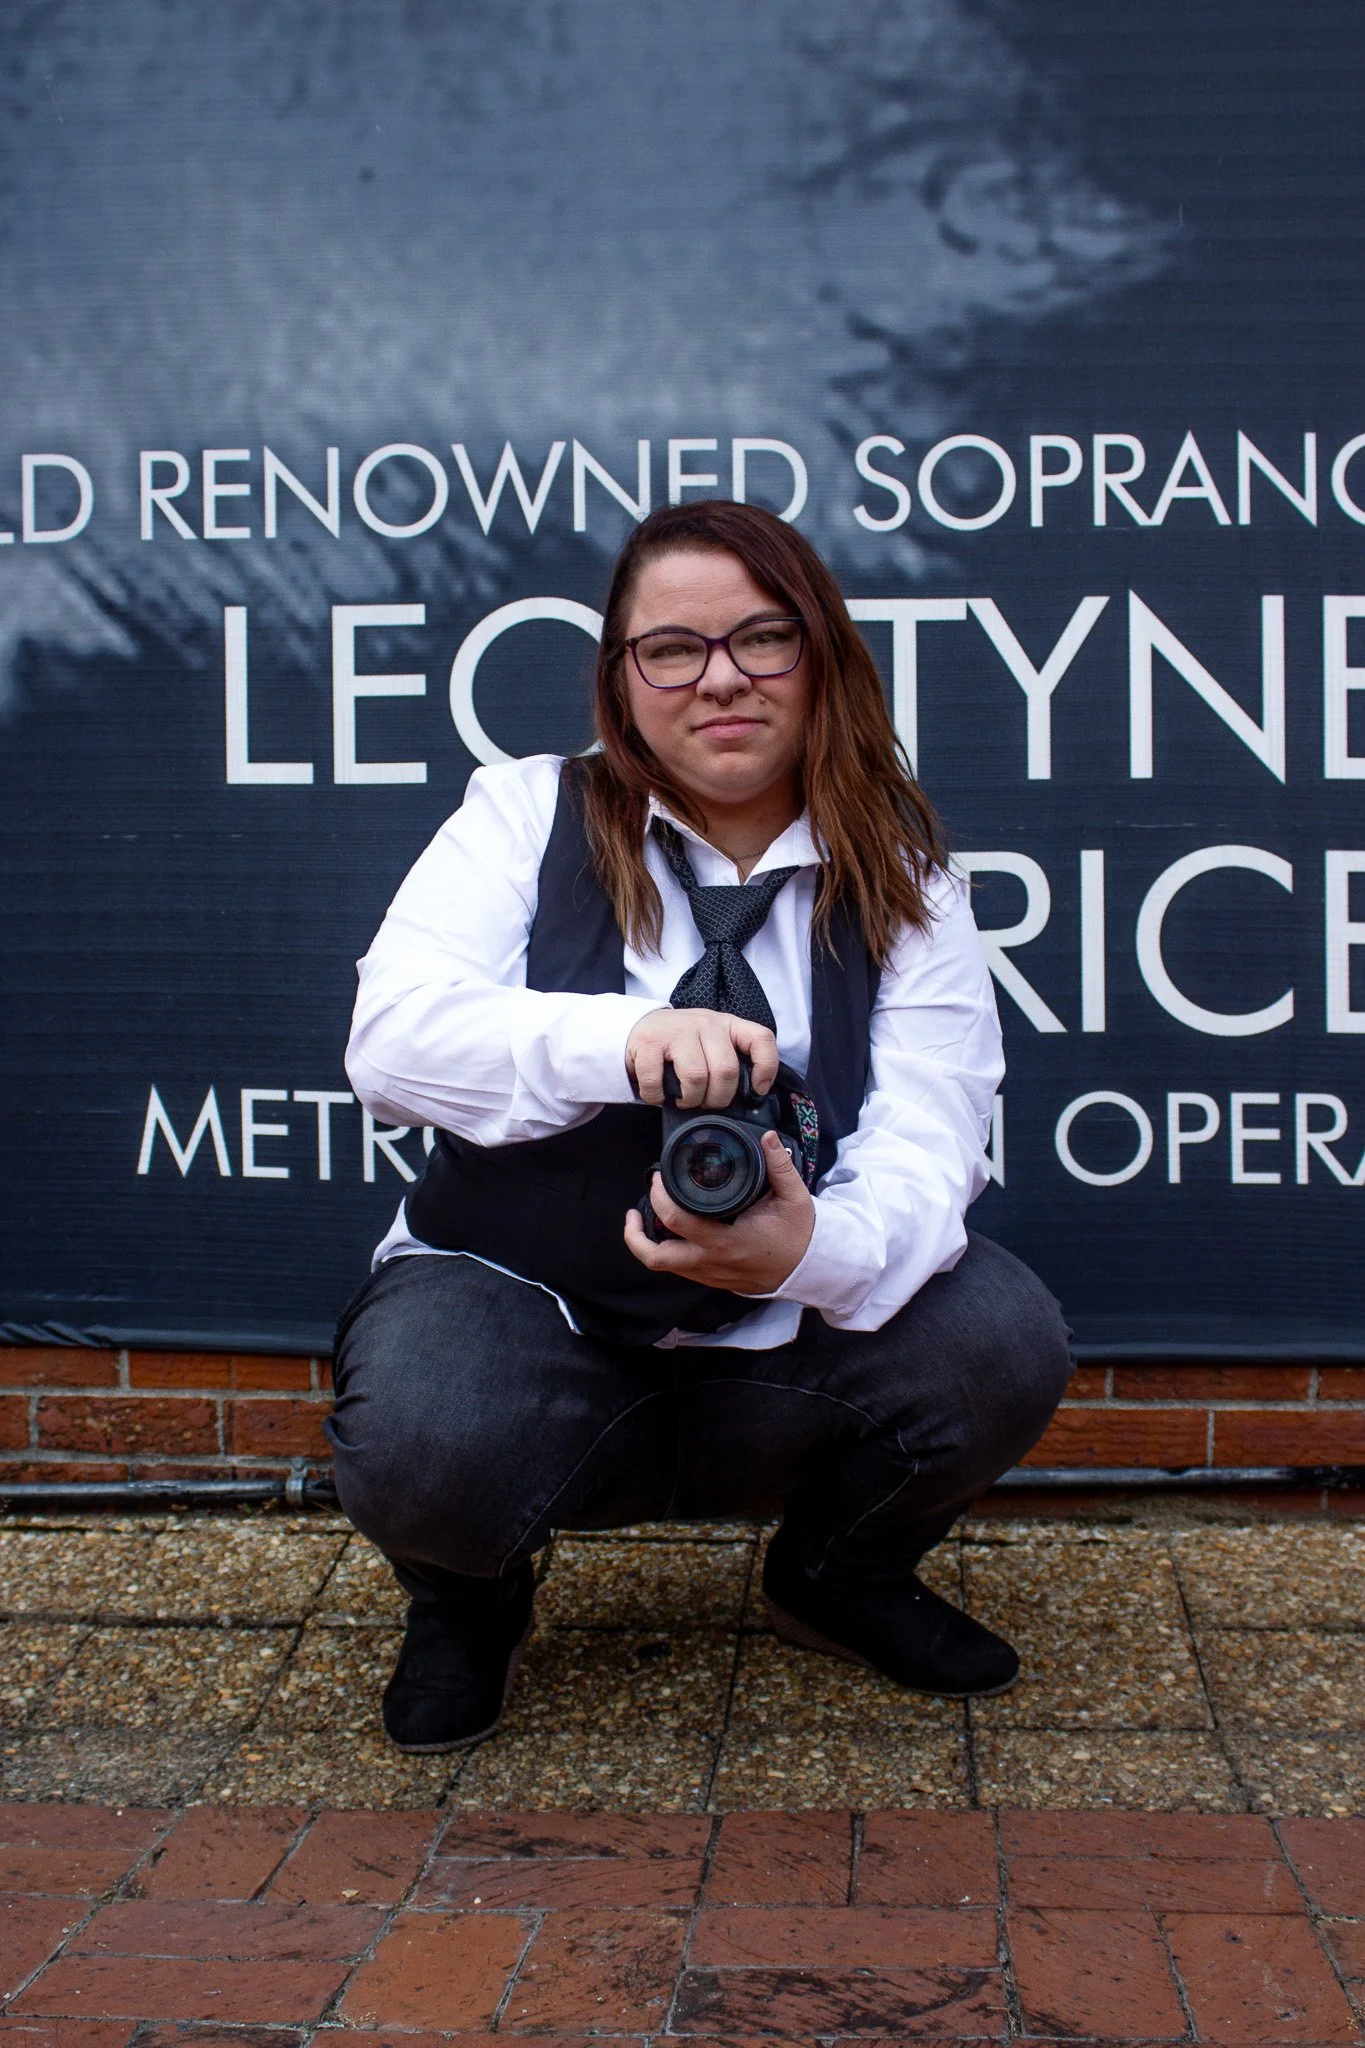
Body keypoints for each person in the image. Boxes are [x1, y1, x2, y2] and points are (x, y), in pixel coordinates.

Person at [333, 499, 1072, 1754]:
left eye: (762, 637)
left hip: (777, 1347)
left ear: (820, 655)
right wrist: (618, 1041)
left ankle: (838, 1572)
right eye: (672, 646)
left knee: (1003, 1336)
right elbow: (390, 1041)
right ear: (624, 679)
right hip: (533, 1312)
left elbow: (932, 1138)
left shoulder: (903, 877)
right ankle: (469, 1599)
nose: (720, 676)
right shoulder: (523, 813)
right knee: (422, 1421)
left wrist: (805, 1252)